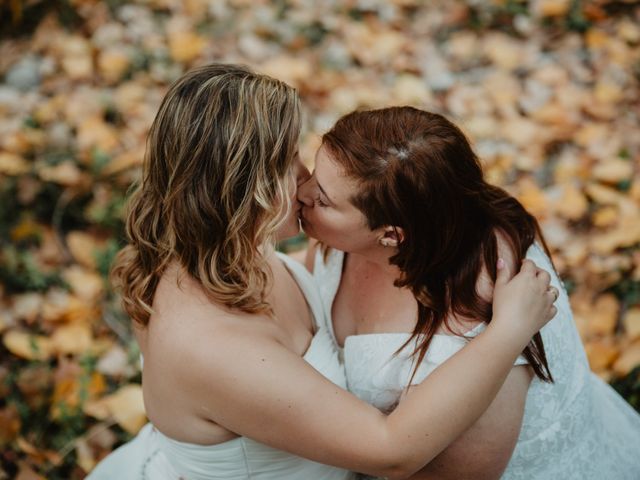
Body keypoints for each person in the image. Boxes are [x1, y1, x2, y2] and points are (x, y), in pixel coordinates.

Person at [88, 65, 557, 480]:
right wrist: (507, 332)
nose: (304, 176)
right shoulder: (211, 345)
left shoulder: (216, 249)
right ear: (246, 192)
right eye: (286, 164)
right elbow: (391, 452)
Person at [298, 106, 640, 480]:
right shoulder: (408, 221)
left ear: (392, 235)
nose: (302, 192)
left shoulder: (482, 324)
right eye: (315, 173)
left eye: (324, 200)